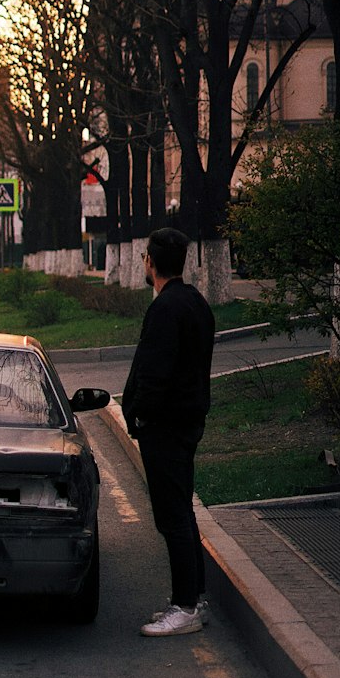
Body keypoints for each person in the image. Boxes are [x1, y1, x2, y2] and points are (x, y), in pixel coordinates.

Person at [121, 227, 216, 637]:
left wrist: (140, 414)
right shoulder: (195, 302)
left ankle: (186, 607)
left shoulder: (164, 309)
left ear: (150, 262)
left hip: (166, 426)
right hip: (187, 421)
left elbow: (154, 373)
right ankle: (195, 597)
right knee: (182, 511)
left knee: (172, 516)